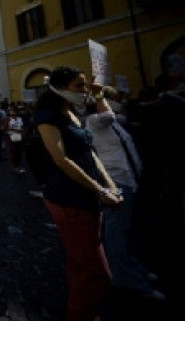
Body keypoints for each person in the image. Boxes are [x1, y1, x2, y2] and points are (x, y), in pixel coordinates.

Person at [35, 66, 123, 320]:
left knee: (80, 262)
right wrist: (100, 190)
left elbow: (90, 152)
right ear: (61, 88)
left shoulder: (72, 113)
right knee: (98, 274)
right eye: (79, 85)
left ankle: (83, 313)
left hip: (88, 197)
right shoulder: (46, 117)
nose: (84, 90)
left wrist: (109, 184)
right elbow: (61, 160)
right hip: (68, 198)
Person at [85, 85, 165, 301]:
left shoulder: (114, 121)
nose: (119, 100)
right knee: (117, 233)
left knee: (126, 231)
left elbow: (125, 116)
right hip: (116, 181)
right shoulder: (95, 120)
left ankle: (131, 269)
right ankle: (124, 278)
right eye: (115, 98)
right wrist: (100, 95)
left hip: (127, 179)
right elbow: (109, 116)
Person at [3, 106, 25, 173]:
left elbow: (21, 127)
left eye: (12, 110)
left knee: (19, 152)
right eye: (10, 111)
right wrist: (14, 129)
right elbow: (4, 128)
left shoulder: (19, 118)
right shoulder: (7, 119)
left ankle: (18, 165)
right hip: (11, 136)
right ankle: (15, 167)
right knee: (13, 152)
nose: (11, 112)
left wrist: (21, 130)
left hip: (19, 136)